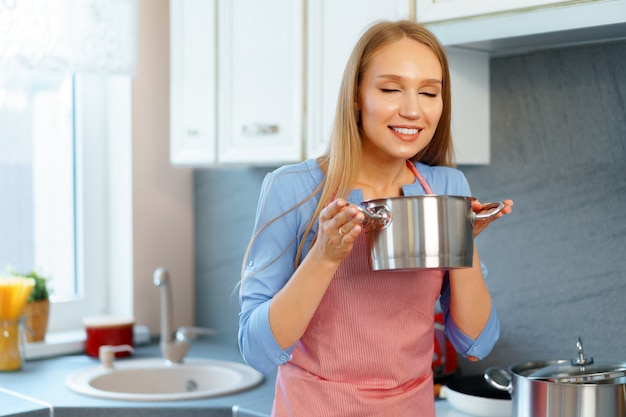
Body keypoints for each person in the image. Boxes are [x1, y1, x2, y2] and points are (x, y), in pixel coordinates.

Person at [238, 19, 514, 417]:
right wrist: (325, 256)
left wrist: (462, 239)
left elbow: (476, 344)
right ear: (356, 95)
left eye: (429, 92)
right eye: (390, 89)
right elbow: (257, 349)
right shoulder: (293, 189)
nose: (413, 110)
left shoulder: (445, 185)